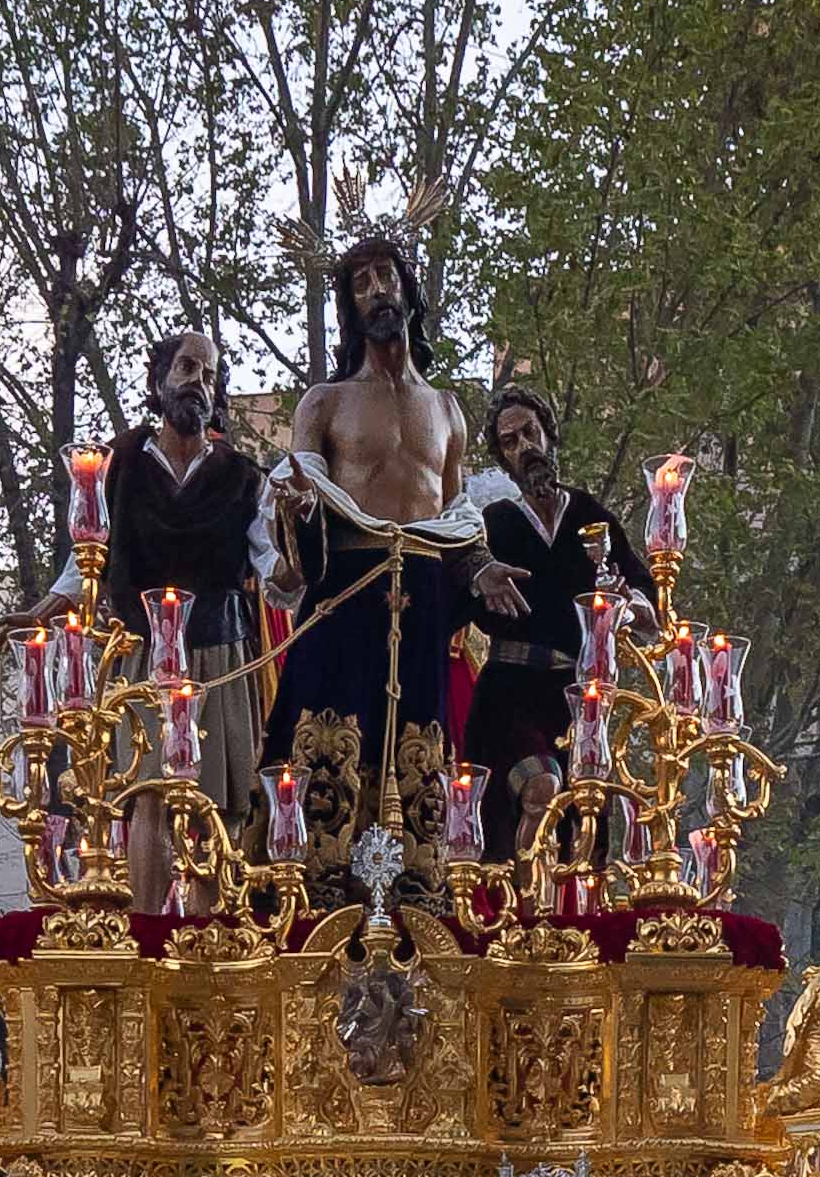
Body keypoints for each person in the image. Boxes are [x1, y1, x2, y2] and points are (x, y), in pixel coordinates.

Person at [265, 226, 492, 888]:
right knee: (327, 755)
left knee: (418, 761)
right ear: (349, 306)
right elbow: (302, 490)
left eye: (383, 275)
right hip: (348, 591)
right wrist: (298, 509)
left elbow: (455, 521)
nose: (374, 290)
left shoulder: (447, 410)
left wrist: (480, 568)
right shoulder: (325, 402)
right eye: (359, 282)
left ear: (407, 287)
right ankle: (317, 898)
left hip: (420, 599)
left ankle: (416, 904)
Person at [50, 328, 268, 914]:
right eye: (188, 368)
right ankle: (149, 937)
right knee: (147, 793)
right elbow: (87, 552)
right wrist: (52, 604)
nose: (199, 381)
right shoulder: (118, 466)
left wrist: (301, 566)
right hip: (145, 657)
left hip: (218, 653)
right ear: (160, 380)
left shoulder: (243, 477)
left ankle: (204, 941)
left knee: (213, 802)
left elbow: (273, 567)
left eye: (210, 373)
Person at [465, 385, 651, 858]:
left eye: (530, 432)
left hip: (577, 696)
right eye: (510, 442)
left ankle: (568, 918)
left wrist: (631, 607)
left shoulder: (589, 517)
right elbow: (457, 590)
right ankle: (527, 916)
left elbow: (647, 601)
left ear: (549, 434)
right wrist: (479, 578)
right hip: (510, 693)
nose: (524, 447)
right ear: (502, 458)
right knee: (541, 789)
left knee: (584, 823)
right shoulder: (495, 523)